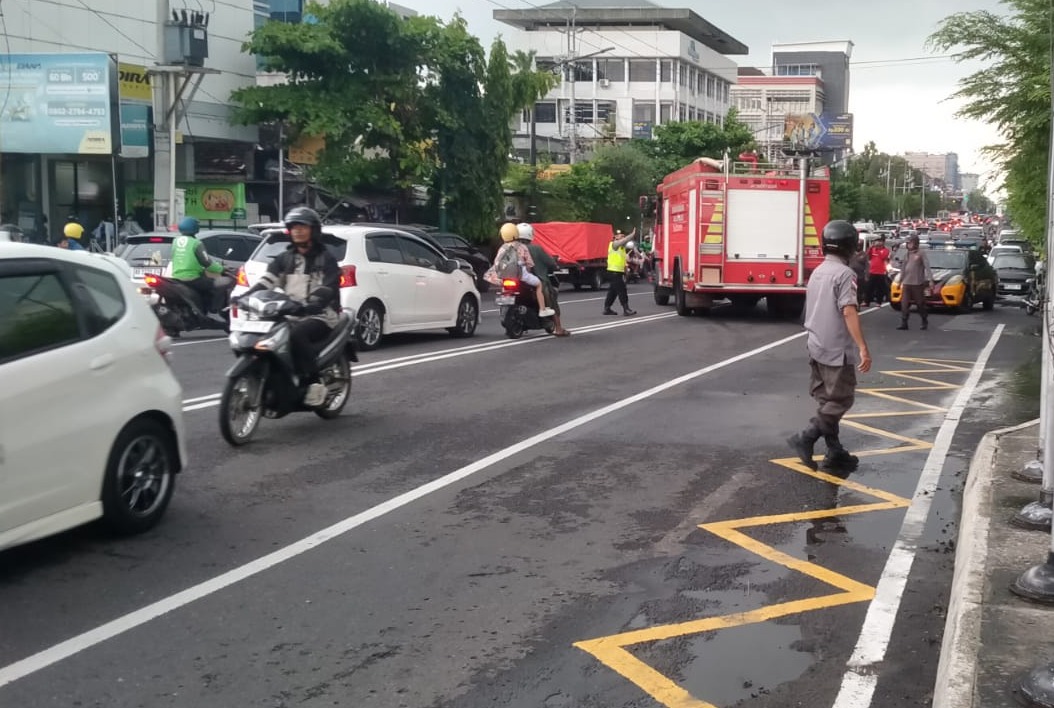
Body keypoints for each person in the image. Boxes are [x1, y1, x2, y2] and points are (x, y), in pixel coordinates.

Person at [788, 220, 873, 474]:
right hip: (836, 349)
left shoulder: (819, 271)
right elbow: (848, 310)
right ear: (849, 246)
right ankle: (807, 436)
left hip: (816, 345)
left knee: (827, 399)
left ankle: (835, 451)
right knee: (840, 399)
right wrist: (863, 348)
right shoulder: (845, 274)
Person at [237, 207, 341, 407]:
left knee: (296, 335)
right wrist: (245, 296)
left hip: (320, 315)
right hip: (290, 312)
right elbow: (267, 282)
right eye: (294, 227)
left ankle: (313, 382)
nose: (298, 231)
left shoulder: (325, 259)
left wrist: (313, 304)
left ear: (313, 230)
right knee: (266, 336)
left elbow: (329, 287)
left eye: (303, 226)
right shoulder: (284, 259)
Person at [490, 222, 555, 318]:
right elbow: (529, 263)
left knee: (504, 289)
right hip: (521, 274)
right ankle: (542, 309)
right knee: (539, 285)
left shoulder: (503, 247)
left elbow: (497, 261)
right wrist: (528, 270)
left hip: (504, 275)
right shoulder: (524, 247)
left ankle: (504, 310)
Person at [170, 216, 230, 316]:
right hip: (192, 278)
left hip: (176, 278)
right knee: (221, 284)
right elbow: (206, 262)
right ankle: (214, 312)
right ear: (194, 227)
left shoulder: (175, 241)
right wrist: (221, 269)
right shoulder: (196, 243)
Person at [518, 222, 570, 336]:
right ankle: (559, 328)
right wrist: (555, 266)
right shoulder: (537, 249)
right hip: (537, 280)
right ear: (530, 234)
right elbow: (550, 263)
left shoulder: (510, 247)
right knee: (552, 300)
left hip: (516, 280)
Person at [897, 234, 935, 331]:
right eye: (907, 243)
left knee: (920, 304)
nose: (909, 245)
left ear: (916, 243)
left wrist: (931, 280)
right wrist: (899, 281)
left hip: (917, 283)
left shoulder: (921, 253)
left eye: (910, 243)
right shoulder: (906, 254)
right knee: (904, 304)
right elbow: (903, 269)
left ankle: (924, 319)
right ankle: (904, 322)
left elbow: (927, 267)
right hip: (906, 283)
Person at [603, 228, 637, 316]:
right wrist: (631, 235)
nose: (622, 238)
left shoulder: (621, 248)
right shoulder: (614, 244)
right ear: (615, 237)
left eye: (623, 236)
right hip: (614, 272)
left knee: (613, 291)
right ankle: (626, 309)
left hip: (617, 272)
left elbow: (623, 259)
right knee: (622, 290)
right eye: (620, 236)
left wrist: (626, 270)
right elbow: (623, 241)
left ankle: (607, 308)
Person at [866, 235, 891, 305]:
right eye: (877, 241)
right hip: (872, 271)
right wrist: (871, 248)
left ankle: (879, 302)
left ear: (883, 242)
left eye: (880, 241)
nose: (878, 243)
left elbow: (883, 257)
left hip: (881, 272)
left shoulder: (886, 250)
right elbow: (868, 256)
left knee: (880, 288)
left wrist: (877, 250)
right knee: (869, 287)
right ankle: (867, 301)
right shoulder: (873, 249)